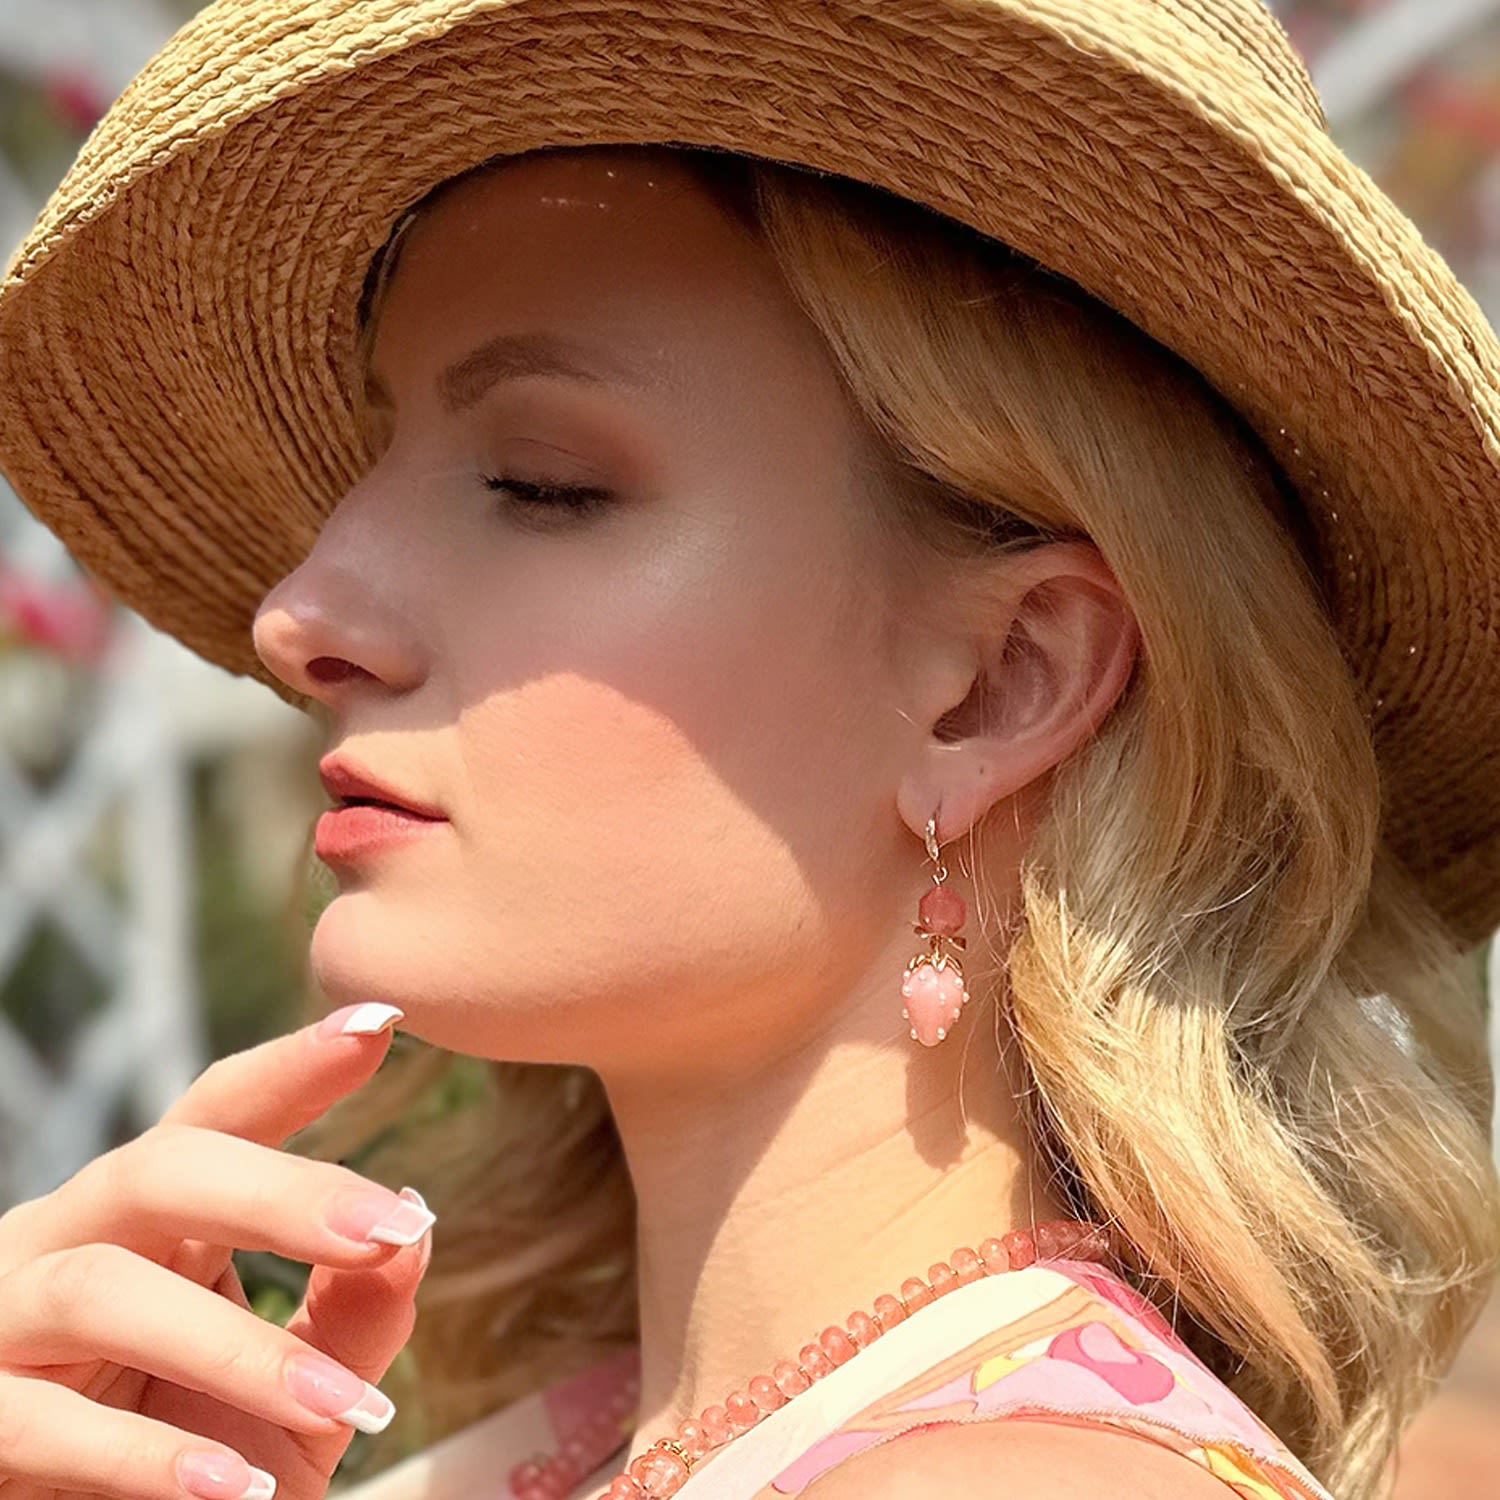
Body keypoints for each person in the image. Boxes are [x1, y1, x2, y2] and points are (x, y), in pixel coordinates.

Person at [0, 4, 1496, 1500]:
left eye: (543, 483)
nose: (300, 615)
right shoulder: (591, 1443)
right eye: (370, 465)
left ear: (1002, 684)